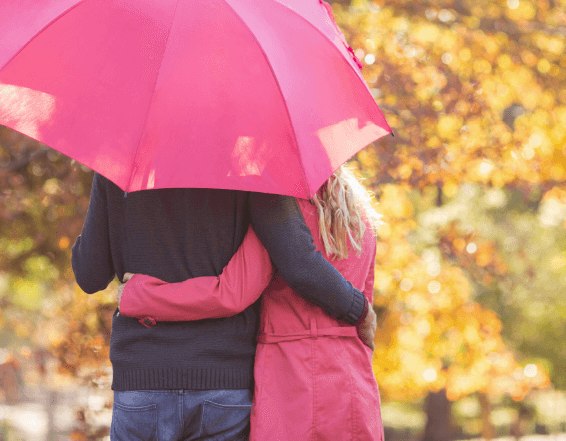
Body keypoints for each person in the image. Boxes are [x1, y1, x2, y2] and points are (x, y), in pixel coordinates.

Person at [71, 172, 376, 441]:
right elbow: (295, 260)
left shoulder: (120, 165)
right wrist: (358, 309)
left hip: (143, 372)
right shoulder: (249, 167)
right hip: (223, 380)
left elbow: (90, 274)